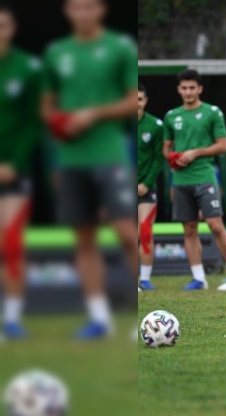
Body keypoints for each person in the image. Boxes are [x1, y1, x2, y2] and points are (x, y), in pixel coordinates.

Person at [41, 0, 138, 338]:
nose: (82, 13)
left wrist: (92, 115)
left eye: (88, 6)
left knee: (127, 232)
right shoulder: (57, 52)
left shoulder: (120, 47)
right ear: (68, 11)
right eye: (76, 7)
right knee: (84, 240)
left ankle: (139, 312)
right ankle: (100, 319)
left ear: (101, 10)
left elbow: (130, 100)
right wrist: (58, 123)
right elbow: (46, 106)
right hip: (69, 160)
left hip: (110, 154)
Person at [163, 69, 226, 290]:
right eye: (184, 88)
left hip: (204, 176)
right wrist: (174, 158)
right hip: (181, 180)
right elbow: (166, 149)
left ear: (199, 89)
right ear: (178, 90)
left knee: (215, 225)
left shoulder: (212, 112)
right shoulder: (172, 116)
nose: (188, 92)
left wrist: (194, 153)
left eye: (192, 87)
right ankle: (199, 278)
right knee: (189, 229)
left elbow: (223, 145)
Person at [0, 3, 41, 338]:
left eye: (3, 26)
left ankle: (11, 318)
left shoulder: (27, 69)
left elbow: (33, 123)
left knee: (11, 243)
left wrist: (13, 163)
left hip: (13, 172)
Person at [137, 82, 163, 290]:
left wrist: (146, 183)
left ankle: (144, 279)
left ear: (145, 101)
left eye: (139, 99)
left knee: (145, 231)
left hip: (145, 189)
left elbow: (158, 159)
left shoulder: (156, 126)